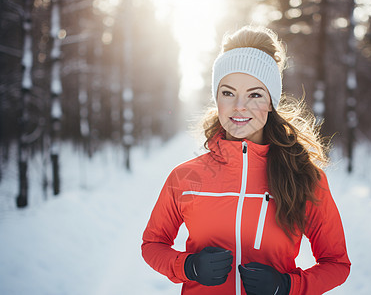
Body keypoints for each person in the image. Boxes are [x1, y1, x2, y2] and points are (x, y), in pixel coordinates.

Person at [141, 25, 351, 295]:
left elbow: (337, 263)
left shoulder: (305, 178)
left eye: (255, 94)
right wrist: (189, 267)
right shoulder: (185, 178)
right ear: (216, 98)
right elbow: (152, 245)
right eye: (228, 93)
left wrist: (286, 286)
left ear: (271, 102)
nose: (239, 106)